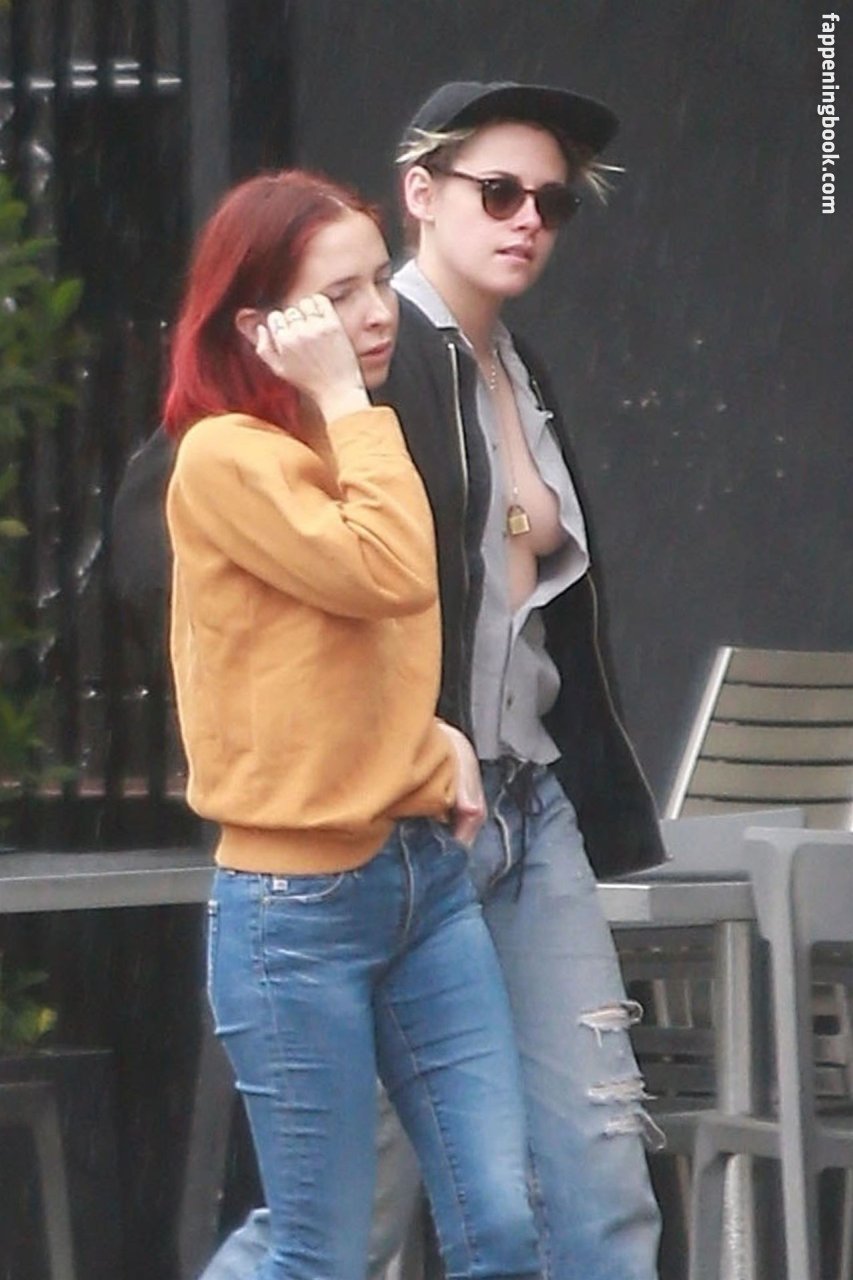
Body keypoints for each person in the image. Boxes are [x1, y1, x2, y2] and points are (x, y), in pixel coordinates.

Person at [112, 81, 667, 1280]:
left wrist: (430, 736)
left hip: (485, 815)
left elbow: (490, 618)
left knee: (561, 1192)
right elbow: (355, 568)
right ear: (423, 192)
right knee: (334, 1232)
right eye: (499, 191)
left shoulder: (513, 373)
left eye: (553, 202)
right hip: (325, 863)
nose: (528, 219)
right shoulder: (301, 408)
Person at [160, 166, 542, 1280]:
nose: (375, 314)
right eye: (337, 296)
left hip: (422, 879)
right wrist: (343, 402)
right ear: (259, 325)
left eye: (379, 281)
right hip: (295, 910)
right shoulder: (226, 458)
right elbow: (385, 572)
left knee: (499, 1227)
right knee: (320, 1253)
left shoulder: (345, 444)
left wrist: (431, 738)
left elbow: (354, 653)